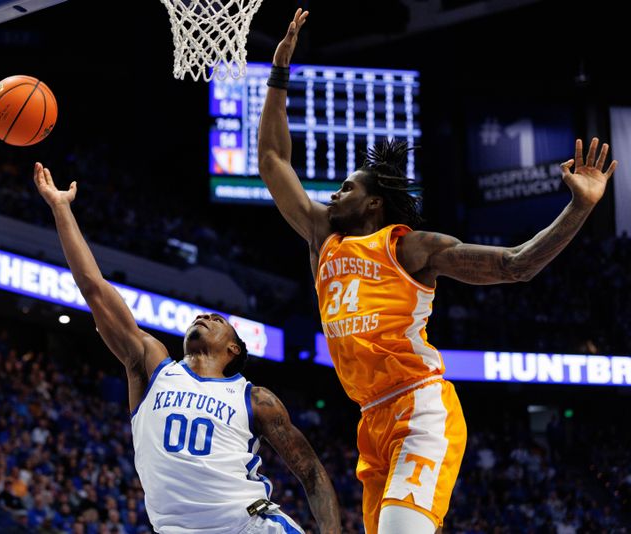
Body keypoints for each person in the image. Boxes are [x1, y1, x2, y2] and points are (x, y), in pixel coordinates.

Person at [257, 9, 618, 534]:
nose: (335, 193)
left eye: (348, 188)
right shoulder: (322, 236)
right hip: (370, 421)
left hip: (419, 408)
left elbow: (516, 266)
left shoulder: (411, 249)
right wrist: (278, 74)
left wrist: (580, 208)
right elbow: (272, 158)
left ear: (376, 205)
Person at [33, 163, 340, 534]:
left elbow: (311, 472)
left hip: (251, 527)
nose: (206, 315)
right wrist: (61, 208)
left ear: (233, 350)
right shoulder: (151, 364)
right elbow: (94, 287)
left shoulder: (255, 398)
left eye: (218, 319)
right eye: (205, 314)